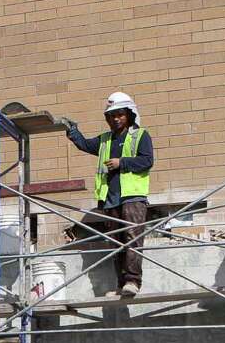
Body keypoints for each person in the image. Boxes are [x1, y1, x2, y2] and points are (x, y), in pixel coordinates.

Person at [61, 92, 155, 298]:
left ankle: (133, 281)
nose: (115, 119)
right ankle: (122, 285)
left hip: (132, 197)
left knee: (133, 238)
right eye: (111, 116)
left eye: (119, 115)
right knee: (115, 243)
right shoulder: (105, 140)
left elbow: (147, 161)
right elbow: (85, 144)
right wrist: (73, 131)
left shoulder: (140, 135)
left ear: (129, 115)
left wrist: (122, 162)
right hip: (110, 199)